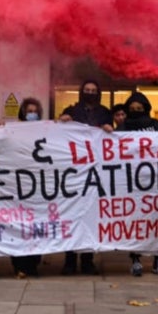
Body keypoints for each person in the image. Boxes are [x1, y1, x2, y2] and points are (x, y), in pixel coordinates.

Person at [59, 79, 113, 275]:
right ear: (81, 92)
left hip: (94, 171)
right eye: (87, 90)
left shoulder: (104, 112)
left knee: (90, 217)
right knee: (71, 214)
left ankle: (87, 260)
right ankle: (70, 260)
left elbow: (110, 136)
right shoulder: (71, 111)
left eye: (93, 90)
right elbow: (60, 133)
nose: (90, 93)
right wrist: (62, 120)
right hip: (74, 171)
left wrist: (108, 128)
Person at [115, 91, 158, 276]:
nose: (136, 111)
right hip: (133, 184)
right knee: (135, 222)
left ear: (146, 109)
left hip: (155, 182)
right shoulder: (122, 127)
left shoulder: (156, 125)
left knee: (157, 221)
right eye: (132, 109)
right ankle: (135, 259)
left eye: (139, 108)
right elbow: (112, 146)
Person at [10, 97, 44, 277]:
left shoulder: (46, 129)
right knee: (19, 226)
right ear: (23, 113)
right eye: (29, 111)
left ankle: (33, 264)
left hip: (37, 188)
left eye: (35, 111)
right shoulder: (13, 130)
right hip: (18, 187)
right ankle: (19, 264)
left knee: (36, 226)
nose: (32, 114)